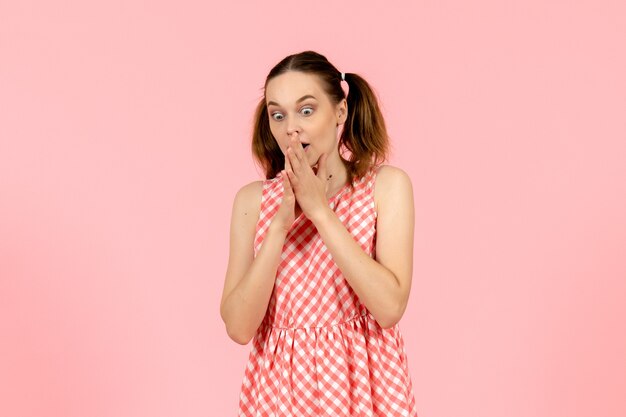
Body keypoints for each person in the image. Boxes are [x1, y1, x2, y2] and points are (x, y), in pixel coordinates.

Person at [220, 50, 418, 416]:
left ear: (339, 112)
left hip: (366, 389)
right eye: (277, 115)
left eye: (306, 110)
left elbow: (389, 308)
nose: (290, 128)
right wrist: (280, 224)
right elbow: (239, 327)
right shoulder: (252, 202)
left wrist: (320, 213)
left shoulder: (385, 188)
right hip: (282, 395)